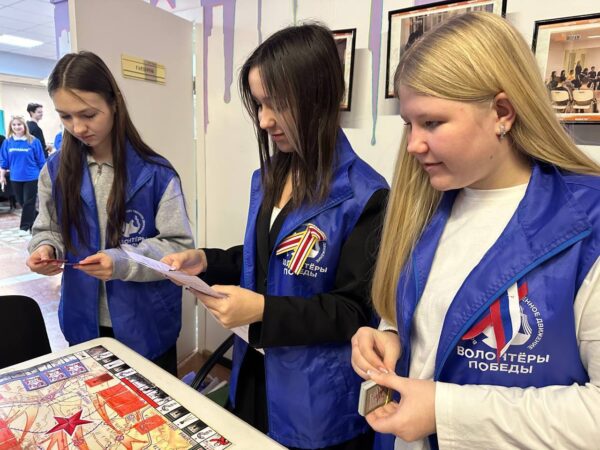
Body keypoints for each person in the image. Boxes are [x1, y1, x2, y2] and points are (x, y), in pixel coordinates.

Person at [350, 12, 600, 449]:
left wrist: (445, 411)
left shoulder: (587, 225)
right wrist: (390, 334)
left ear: (502, 112)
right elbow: (430, 314)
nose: (413, 145)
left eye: (432, 123)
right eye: (409, 124)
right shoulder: (427, 202)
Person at [162, 23, 389, 450]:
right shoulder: (267, 177)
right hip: (254, 370)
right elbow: (267, 261)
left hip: (314, 395)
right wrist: (206, 261)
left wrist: (262, 310)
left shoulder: (367, 195)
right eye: (260, 104)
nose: (265, 120)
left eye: (277, 104)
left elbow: (353, 311)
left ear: (319, 97)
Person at [25, 51, 194, 376]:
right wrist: (45, 248)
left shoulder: (156, 173)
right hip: (83, 320)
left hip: (145, 323)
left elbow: (178, 247)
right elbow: (48, 228)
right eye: (65, 117)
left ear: (114, 103)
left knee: (151, 405)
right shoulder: (55, 171)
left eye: (89, 114)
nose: (78, 127)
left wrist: (121, 261)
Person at [0, 116, 45, 233]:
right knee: (22, 202)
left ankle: (24, 228)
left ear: (24, 126)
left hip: (32, 176)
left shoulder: (34, 141)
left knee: (29, 202)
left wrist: (44, 176)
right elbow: (4, 161)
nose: (16, 127)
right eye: (14, 125)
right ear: (11, 127)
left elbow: (41, 161)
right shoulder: (7, 142)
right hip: (15, 177)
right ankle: (39, 220)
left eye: (19, 124)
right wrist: (2, 176)